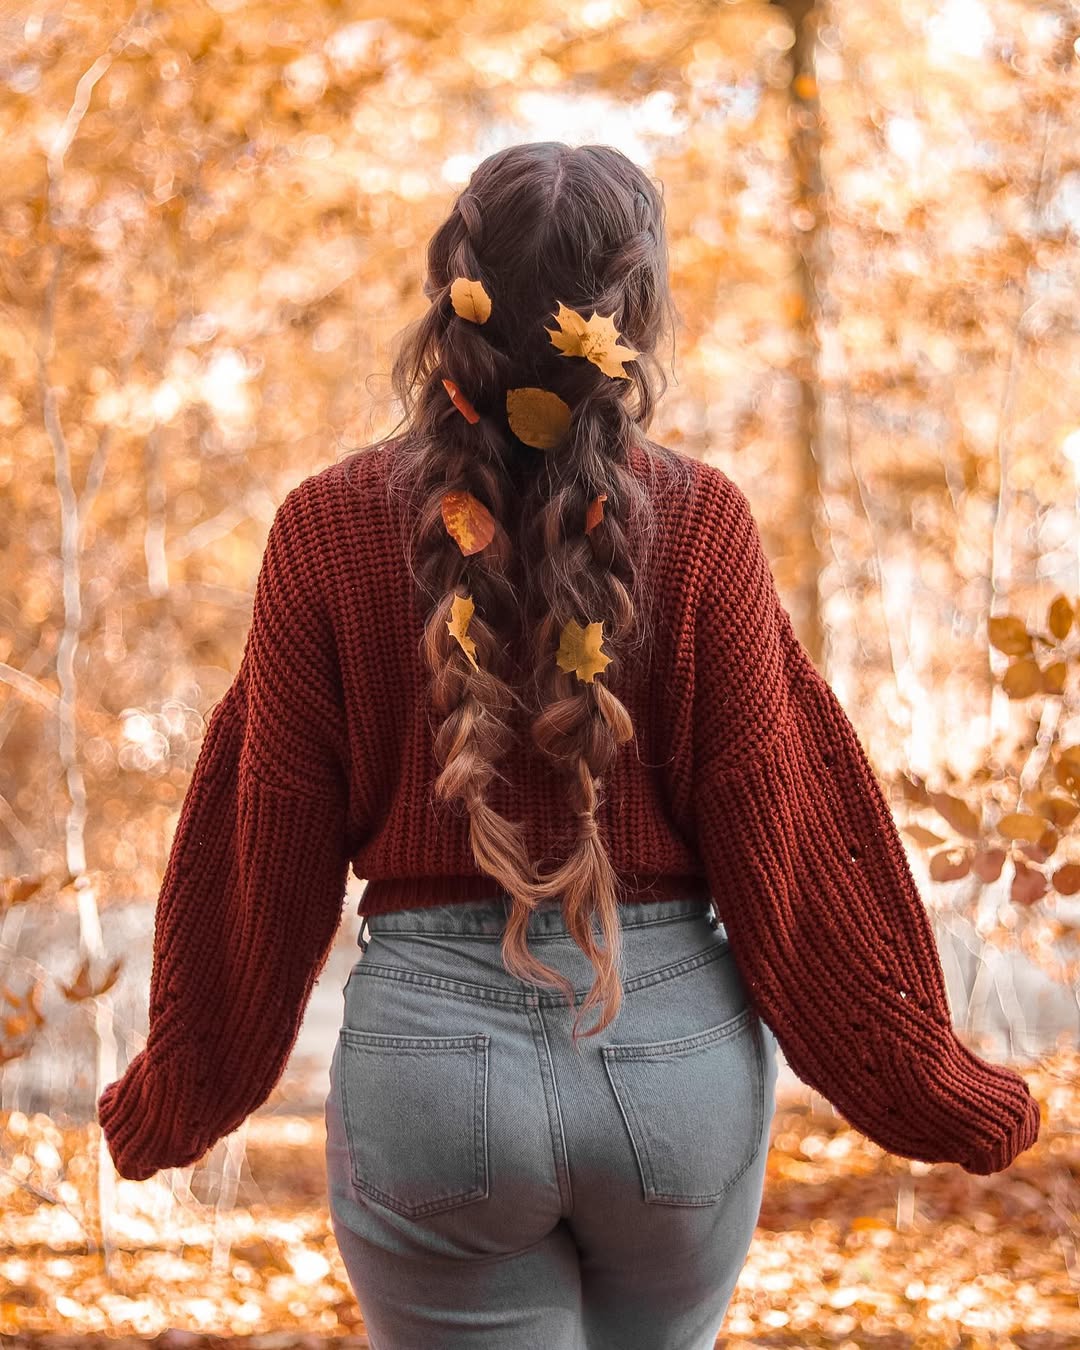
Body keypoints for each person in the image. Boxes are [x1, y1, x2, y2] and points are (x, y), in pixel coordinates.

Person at [98, 142, 1040, 1349]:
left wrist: (177, 1092)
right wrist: (932, 1083)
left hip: (428, 1071)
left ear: (454, 298)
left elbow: (260, 847)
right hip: (674, 1063)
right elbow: (788, 840)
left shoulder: (325, 527)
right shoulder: (703, 525)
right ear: (631, 315)